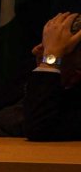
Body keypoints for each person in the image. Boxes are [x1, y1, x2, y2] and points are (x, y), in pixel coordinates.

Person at [24, 11, 81, 140]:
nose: (39, 51)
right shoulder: (37, 68)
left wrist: (50, 62)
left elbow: (38, 129)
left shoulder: (50, 66)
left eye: (57, 47)